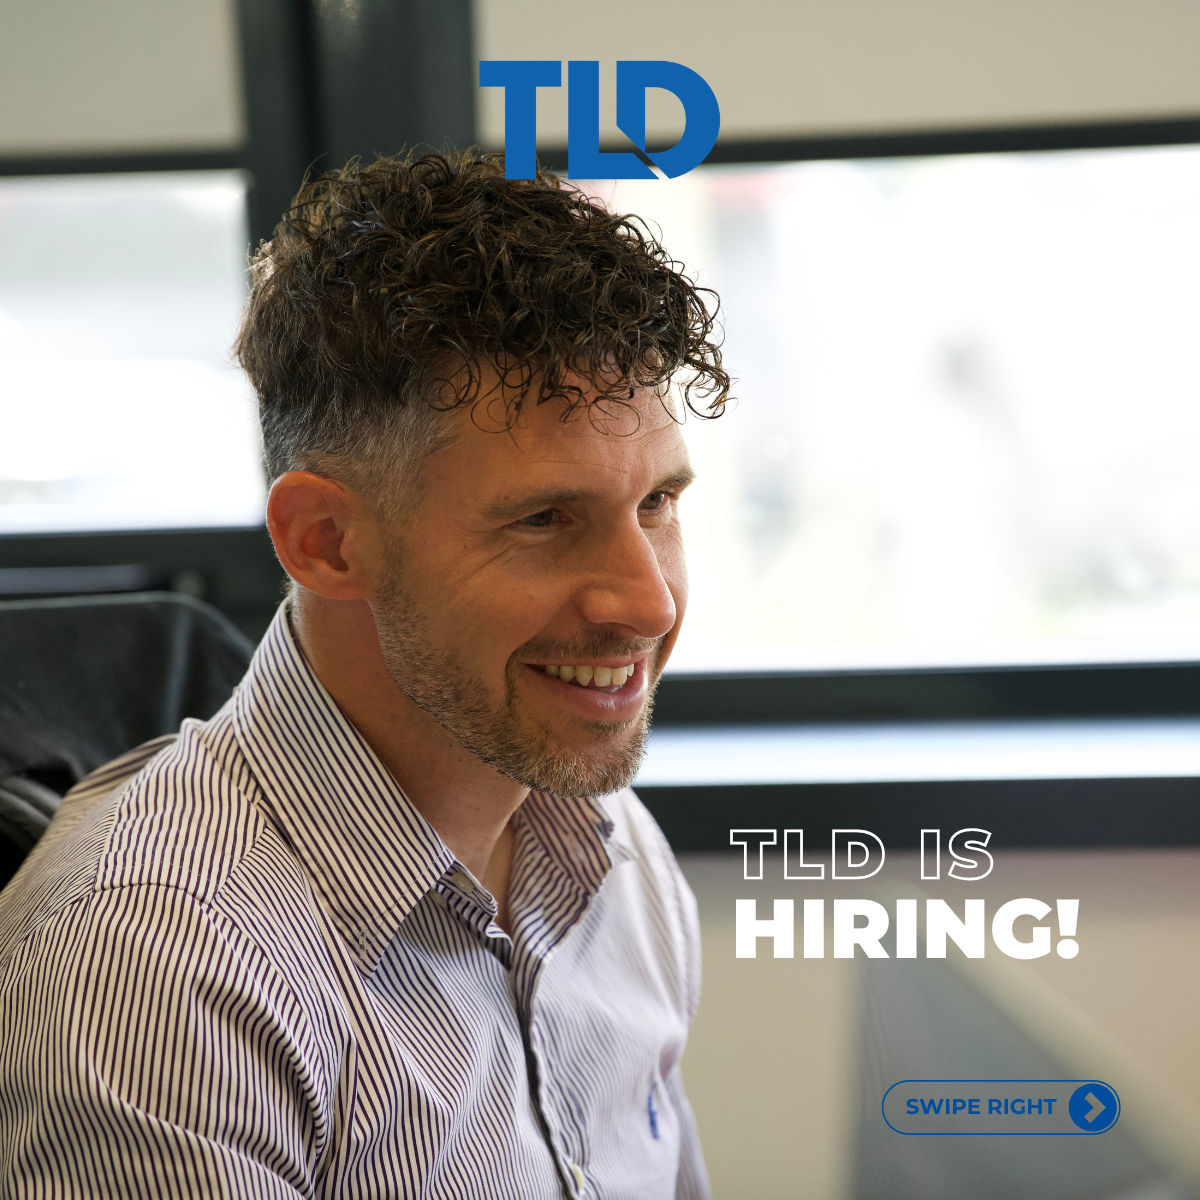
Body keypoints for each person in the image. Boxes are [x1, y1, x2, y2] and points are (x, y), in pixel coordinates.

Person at [0, 150, 729, 1198]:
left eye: (657, 503)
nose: (649, 604)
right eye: (542, 519)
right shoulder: (156, 969)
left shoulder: (610, 849)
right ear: (327, 542)